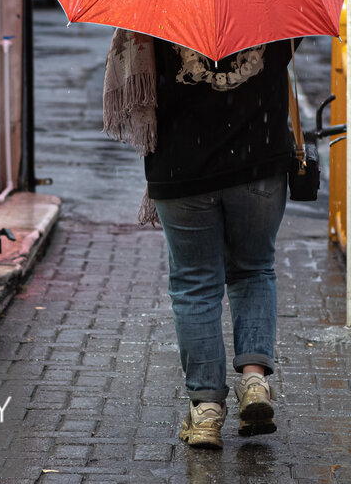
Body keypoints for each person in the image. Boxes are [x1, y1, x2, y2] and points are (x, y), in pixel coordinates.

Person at [104, 29, 297, 450]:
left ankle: (206, 412)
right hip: (258, 160)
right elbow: (287, 54)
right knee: (253, 270)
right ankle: (254, 384)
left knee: (195, 286)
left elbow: (139, 80)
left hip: (182, 168)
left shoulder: (155, 3)